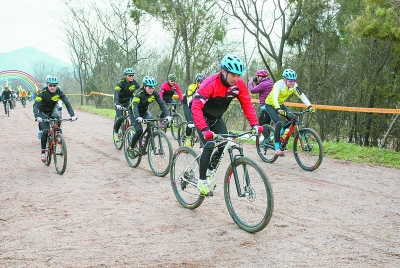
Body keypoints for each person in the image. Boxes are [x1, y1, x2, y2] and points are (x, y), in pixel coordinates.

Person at [191, 54, 263, 195]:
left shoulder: (238, 85)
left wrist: (254, 123)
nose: (236, 79)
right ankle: (202, 180)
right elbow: (196, 107)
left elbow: (247, 103)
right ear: (224, 71)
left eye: (238, 75)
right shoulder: (210, 83)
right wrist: (204, 129)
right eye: (233, 75)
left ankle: (210, 170)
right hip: (201, 116)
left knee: (225, 143)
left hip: (217, 117)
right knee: (209, 144)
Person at [263, 68, 315, 157]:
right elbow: (275, 97)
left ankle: (281, 134)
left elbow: (302, 95)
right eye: (290, 81)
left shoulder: (294, 86)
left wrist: (309, 106)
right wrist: (278, 109)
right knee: (278, 122)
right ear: (284, 79)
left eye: (294, 80)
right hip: (270, 104)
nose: (292, 83)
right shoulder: (278, 84)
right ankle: (276, 148)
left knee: (292, 118)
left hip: (280, 104)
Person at [33, 76, 77, 162]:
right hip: (43, 112)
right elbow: (36, 105)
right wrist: (37, 116)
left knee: (57, 117)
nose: (52, 87)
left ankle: (57, 134)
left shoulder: (59, 92)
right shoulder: (42, 93)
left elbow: (67, 103)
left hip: (52, 110)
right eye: (50, 85)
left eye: (54, 85)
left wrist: (72, 115)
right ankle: (43, 152)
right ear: (47, 85)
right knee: (45, 131)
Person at [127, 76, 172, 158]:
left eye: (153, 88)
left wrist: (167, 115)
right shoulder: (139, 93)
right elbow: (135, 106)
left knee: (151, 124)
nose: (151, 90)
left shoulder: (154, 93)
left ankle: (144, 141)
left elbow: (161, 104)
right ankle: (131, 148)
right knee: (139, 130)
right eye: (149, 87)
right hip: (134, 112)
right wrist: (137, 117)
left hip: (144, 111)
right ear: (144, 86)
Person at [113, 68, 140, 142]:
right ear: (125, 76)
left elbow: (140, 91)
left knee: (132, 117)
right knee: (121, 118)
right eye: (130, 75)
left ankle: (129, 130)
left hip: (127, 102)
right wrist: (116, 103)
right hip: (119, 102)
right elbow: (116, 93)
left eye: (133, 75)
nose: (131, 77)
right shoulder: (120, 83)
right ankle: (116, 132)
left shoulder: (135, 83)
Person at [248, 69, 274, 144]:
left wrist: (250, 82)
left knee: (261, 124)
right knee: (267, 125)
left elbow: (252, 90)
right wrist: (256, 82)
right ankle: (268, 141)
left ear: (260, 77)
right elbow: (260, 88)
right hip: (271, 107)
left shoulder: (263, 84)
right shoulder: (270, 82)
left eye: (258, 76)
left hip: (266, 107)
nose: (257, 77)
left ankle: (268, 140)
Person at [182, 73, 205, 146]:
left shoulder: (205, 88)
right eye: (200, 82)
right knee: (191, 122)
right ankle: (188, 138)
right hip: (187, 104)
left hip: (197, 105)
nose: (202, 84)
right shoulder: (192, 87)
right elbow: (189, 102)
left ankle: (202, 145)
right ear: (197, 82)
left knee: (203, 122)